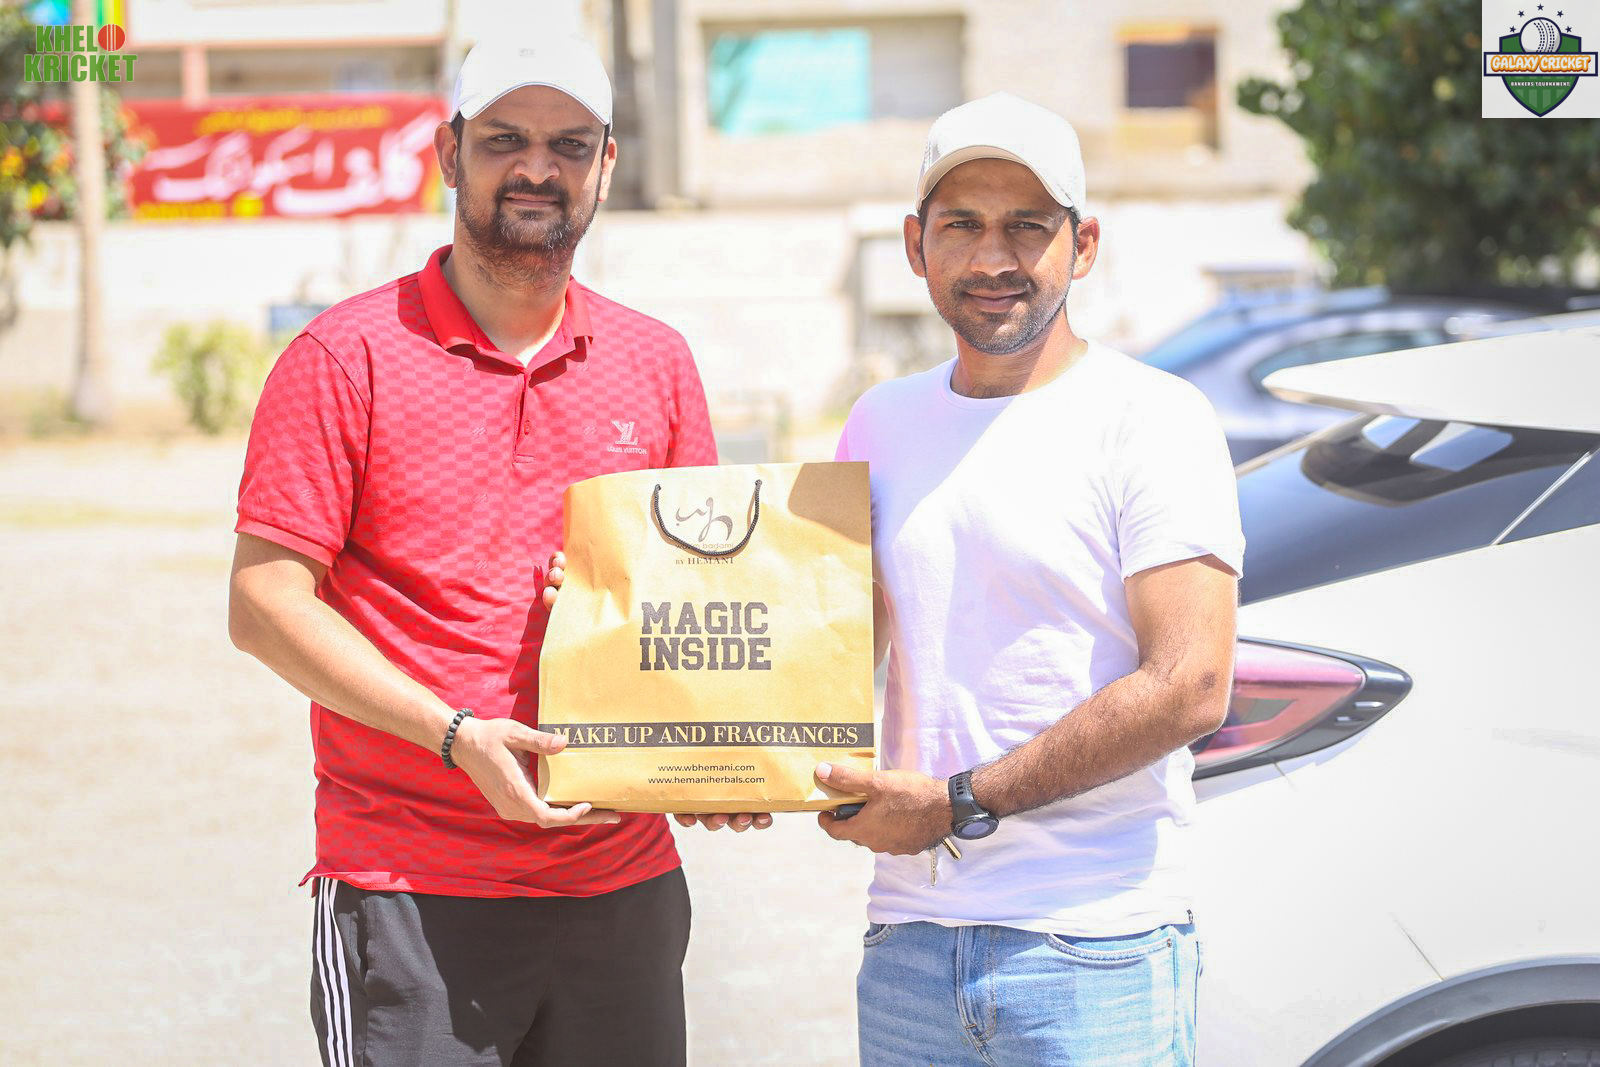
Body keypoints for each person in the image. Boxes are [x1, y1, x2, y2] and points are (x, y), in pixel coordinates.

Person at [228, 36, 728, 1067]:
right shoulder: (344, 357)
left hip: (623, 886)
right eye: (504, 139)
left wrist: (725, 758)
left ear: (606, 165)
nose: (537, 168)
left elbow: (698, 599)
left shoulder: (657, 363)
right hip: (412, 890)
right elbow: (265, 604)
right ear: (450, 154)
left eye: (568, 144)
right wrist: (455, 735)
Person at [814, 92, 1245, 1066]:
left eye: (1026, 226)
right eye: (961, 224)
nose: (992, 258)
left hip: (1096, 946)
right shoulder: (878, 421)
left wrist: (956, 802)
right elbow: (829, 646)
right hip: (909, 945)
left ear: (1082, 245)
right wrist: (702, 728)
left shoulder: (1153, 417)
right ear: (916, 246)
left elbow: (1191, 682)